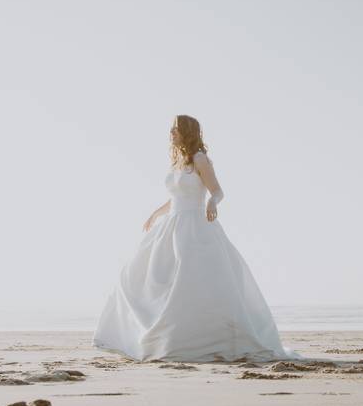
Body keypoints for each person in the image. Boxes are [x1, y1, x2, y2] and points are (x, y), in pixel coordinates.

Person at [92, 115, 300, 362]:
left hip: (195, 226)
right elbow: (176, 197)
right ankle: (144, 338)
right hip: (171, 226)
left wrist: (212, 201)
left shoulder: (200, 159)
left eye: (175, 128)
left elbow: (217, 191)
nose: (171, 132)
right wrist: (156, 214)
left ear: (186, 131)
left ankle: (198, 341)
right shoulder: (178, 161)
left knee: (191, 282)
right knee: (135, 276)